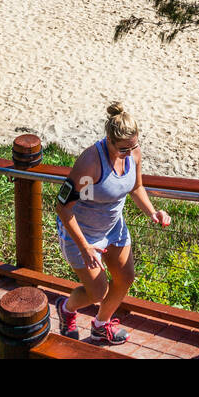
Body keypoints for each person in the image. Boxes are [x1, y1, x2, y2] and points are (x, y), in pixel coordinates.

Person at [55, 103, 170, 345]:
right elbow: (63, 207)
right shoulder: (90, 163)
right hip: (82, 234)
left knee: (126, 278)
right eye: (123, 149)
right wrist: (85, 247)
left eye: (133, 146)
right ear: (108, 139)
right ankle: (66, 308)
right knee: (98, 292)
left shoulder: (134, 152)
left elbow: (136, 187)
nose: (129, 152)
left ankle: (100, 325)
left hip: (113, 228)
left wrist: (153, 212)